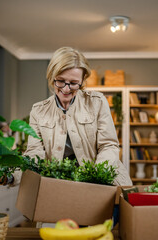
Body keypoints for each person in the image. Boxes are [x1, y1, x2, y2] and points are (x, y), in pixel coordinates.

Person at [12, 46, 132, 186]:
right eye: (61, 81)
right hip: (61, 185)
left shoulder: (97, 102)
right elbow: (34, 154)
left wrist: (96, 177)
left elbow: (109, 145)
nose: (66, 89)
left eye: (74, 83)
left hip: (105, 182)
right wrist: (12, 176)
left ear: (82, 81)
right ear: (52, 77)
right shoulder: (38, 111)